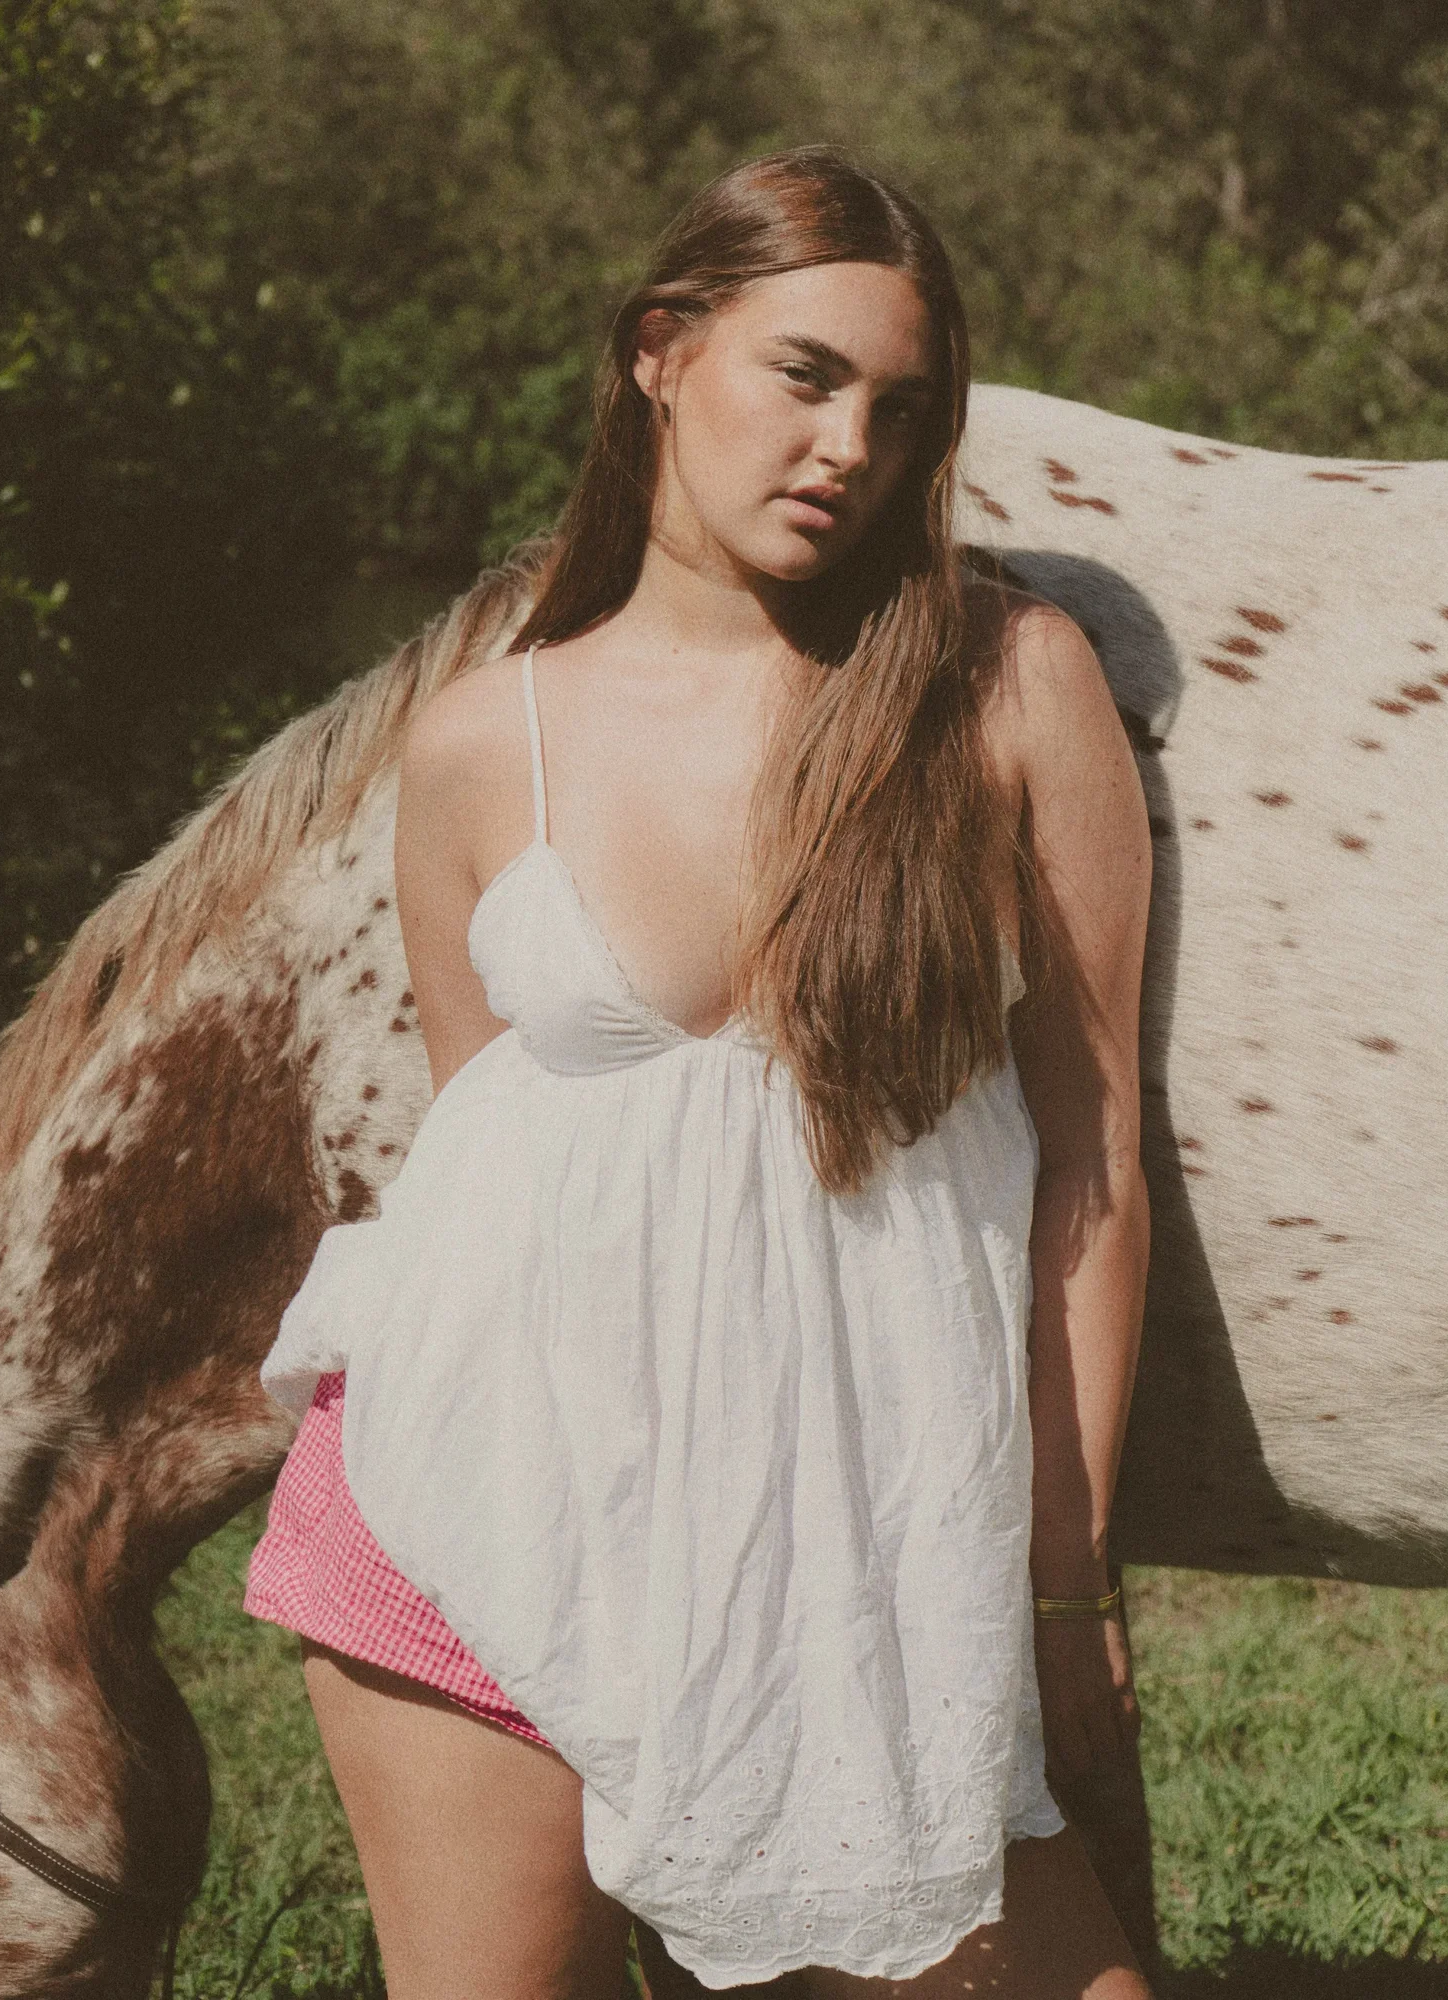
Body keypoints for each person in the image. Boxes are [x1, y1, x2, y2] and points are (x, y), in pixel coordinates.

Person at [246, 146, 1154, 1999]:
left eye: (901, 411)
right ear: (664, 351)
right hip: (476, 1510)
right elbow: (493, 1149)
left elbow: (1094, 1159)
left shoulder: (1003, 685)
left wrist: (1061, 1577)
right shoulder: (482, 740)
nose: (848, 447)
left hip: (857, 1556)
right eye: (803, 375)